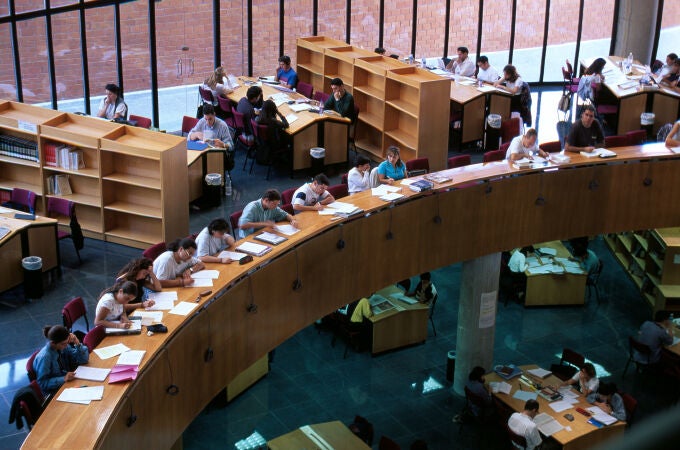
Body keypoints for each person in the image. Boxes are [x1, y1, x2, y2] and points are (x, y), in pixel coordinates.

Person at [33, 325, 89, 395]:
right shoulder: (44, 358)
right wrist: (64, 378)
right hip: (55, 392)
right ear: (52, 343)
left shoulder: (63, 346)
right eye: (63, 344)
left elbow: (83, 360)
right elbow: (42, 384)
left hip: (68, 383)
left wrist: (77, 342)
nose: (66, 346)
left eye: (67, 342)